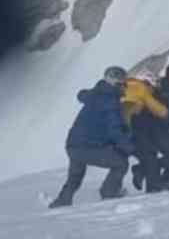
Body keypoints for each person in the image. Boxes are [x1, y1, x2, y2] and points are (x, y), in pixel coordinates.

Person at [48, 66, 135, 209]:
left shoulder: (95, 94)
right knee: (121, 163)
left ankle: (62, 201)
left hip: (73, 146)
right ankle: (109, 193)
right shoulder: (110, 101)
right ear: (116, 84)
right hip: (89, 147)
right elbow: (115, 131)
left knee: (75, 176)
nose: (124, 87)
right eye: (122, 84)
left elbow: (82, 96)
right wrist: (130, 147)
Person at [132, 62, 169, 192]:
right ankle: (157, 186)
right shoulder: (158, 87)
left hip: (168, 128)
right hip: (151, 128)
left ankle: (146, 172)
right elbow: (146, 106)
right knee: (158, 159)